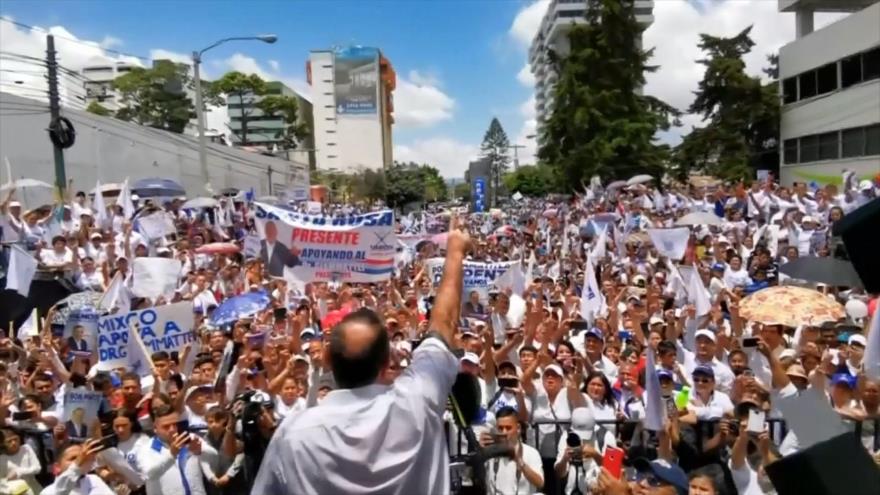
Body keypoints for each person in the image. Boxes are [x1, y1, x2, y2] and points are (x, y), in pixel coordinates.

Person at [252, 218, 471, 494]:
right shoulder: (417, 401)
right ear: (386, 363)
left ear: (328, 360)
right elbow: (444, 325)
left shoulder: (293, 435)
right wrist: (455, 252)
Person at [134, 403, 216, 495]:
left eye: (175, 425)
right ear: (155, 428)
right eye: (166, 426)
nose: (172, 429)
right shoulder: (146, 449)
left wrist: (200, 451)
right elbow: (149, 475)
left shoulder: (190, 439)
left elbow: (215, 458)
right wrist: (171, 455)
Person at [485, 406, 544, 494]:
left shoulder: (531, 453)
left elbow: (540, 483)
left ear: (518, 428)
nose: (504, 432)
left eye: (508, 428)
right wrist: (479, 450)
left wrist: (521, 463)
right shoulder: (490, 452)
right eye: (500, 428)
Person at [40, 440, 116, 495]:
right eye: (73, 458)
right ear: (57, 467)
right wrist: (78, 463)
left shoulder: (94, 480)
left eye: (83, 457)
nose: (81, 460)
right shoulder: (48, 492)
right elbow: (61, 490)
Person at [1, 428, 42, 495]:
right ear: (2, 444)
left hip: (34, 489)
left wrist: (19, 472)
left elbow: (37, 468)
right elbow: (2, 481)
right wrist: (7, 479)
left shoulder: (26, 449)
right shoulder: (2, 459)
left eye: (15, 439)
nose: (14, 443)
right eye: (9, 441)